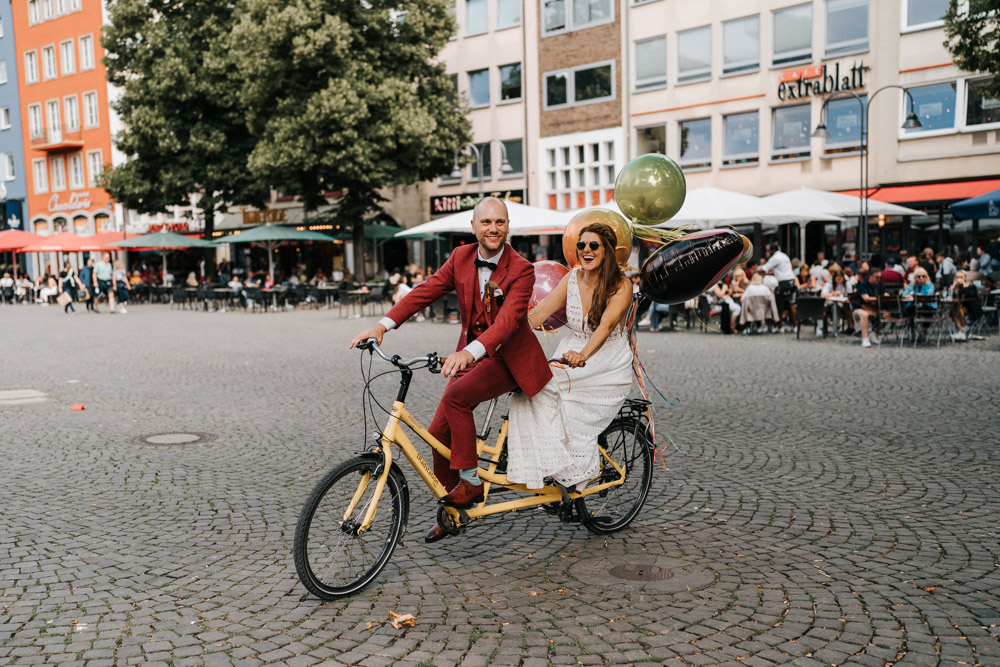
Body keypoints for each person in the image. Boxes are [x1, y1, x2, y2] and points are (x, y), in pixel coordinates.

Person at [350, 197, 552, 543]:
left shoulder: (521, 269)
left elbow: (506, 323)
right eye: (486, 222)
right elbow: (424, 292)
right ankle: (453, 510)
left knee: (457, 397)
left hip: (508, 359)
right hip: (472, 355)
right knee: (436, 433)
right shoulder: (460, 257)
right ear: (473, 227)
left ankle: (472, 482)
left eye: (500, 222)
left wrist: (469, 353)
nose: (493, 229)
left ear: (507, 227)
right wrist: (383, 325)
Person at [505, 222, 634, 490]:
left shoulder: (622, 286)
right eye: (581, 245)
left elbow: (606, 325)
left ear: (607, 250)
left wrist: (583, 354)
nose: (586, 250)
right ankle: (547, 466)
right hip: (570, 355)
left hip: (605, 362)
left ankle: (579, 473)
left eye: (594, 245)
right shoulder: (571, 278)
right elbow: (538, 315)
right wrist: (502, 330)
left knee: (566, 407)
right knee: (528, 392)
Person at [760, 242, 796, 329]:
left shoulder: (775, 257)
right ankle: (795, 326)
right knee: (791, 304)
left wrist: (757, 272)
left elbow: (765, 268)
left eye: (769, 251)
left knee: (779, 305)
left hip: (783, 283)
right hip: (792, 281)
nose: (768, 252)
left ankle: (781, 326)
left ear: (773, 250)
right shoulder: (784, 256)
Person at [851, 269, 881, 348]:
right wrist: (879, 298)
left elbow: (883, 293)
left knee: (887, 314)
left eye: (880, 277)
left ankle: (874, 333)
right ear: (870, 277)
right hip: (859, 308)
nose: (878, 279)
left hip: (873, 308)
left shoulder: (878, 285)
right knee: (864, 314)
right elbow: (866, 298)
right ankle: (865, 338)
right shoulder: (862, 284)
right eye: (877, 277)